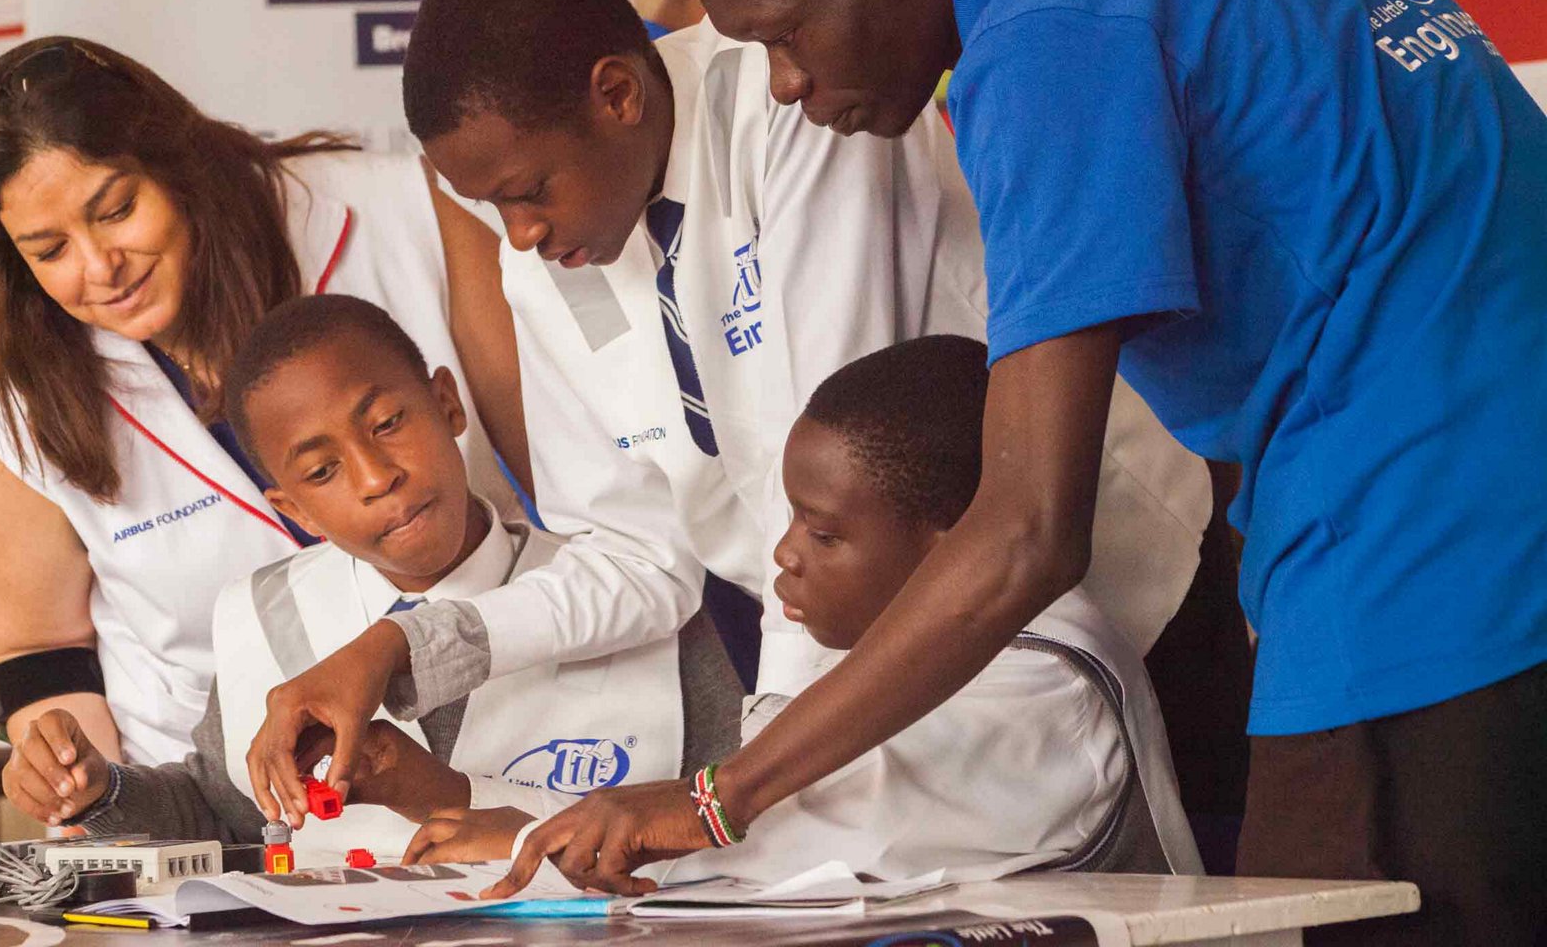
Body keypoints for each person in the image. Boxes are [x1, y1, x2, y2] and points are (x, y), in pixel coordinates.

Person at [500, 0, 1547, 941]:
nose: (787, 87)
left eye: (788, 36)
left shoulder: (1045, 45)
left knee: (1326, 904)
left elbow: (1027, 528)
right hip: (1455, 471)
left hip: (1431, 531)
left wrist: (719, 793)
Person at [247, 0, 1211, 824]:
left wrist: (741, 784)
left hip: (1090, 597)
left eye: (529, 191)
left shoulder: (790, 109)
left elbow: (841, 503)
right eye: (492, 206)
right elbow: (635, 557)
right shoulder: (547, 249)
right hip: (863, 658)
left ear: (618, 95)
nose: (521, 238)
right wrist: (403, 647)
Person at [409, 337, 1201, 886]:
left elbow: (803, 840)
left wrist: (528, 838)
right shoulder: (869, 654)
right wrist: (519, 820)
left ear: (953, 545)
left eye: (824, 533)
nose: (783, 555)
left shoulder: (1046, 681)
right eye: (788, 520)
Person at [0, 37, 529, 771]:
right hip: (217, 806)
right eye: (49, 251)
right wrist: (82, 786)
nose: (99, 269)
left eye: (117, 210)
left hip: (502, 744)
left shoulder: (395, 214)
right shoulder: (21, 399)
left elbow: (563, 480)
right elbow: (36, 652)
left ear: (178, 166)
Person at [0, 295, 738, 860]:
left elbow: (722, 821)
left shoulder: (631, 587)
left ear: (447, 404)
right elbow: (220, 810)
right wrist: (101, 790)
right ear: (296, 509)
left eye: (389, 423)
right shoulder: (266, 613)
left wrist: (445, 797)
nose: (378, 476)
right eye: (323, 471)